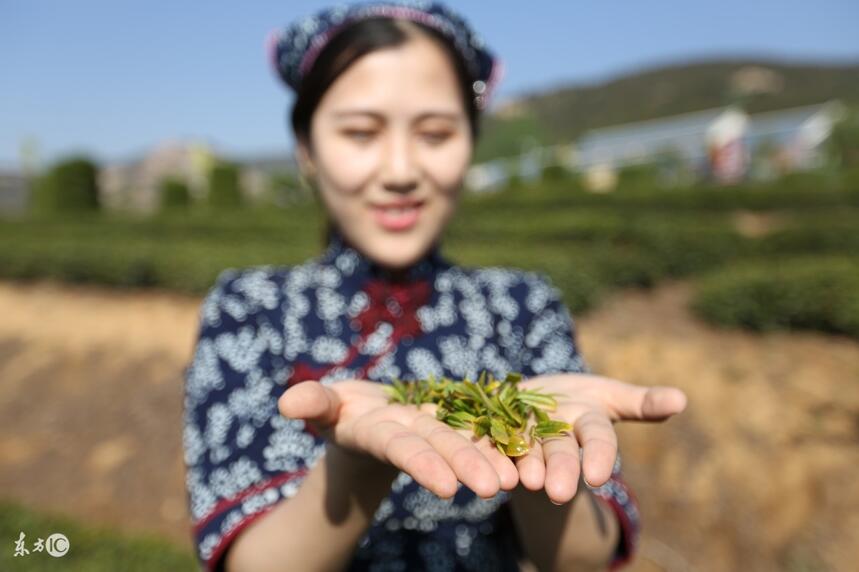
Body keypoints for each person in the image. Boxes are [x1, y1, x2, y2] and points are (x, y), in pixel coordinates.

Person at [181, 2, 688, 571]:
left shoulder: (522, 307)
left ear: (470, 142)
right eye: (360, 132)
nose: (400, 170)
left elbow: (582, 559)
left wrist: (530, 450)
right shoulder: (249, 309)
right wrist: (354, 463)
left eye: (436, 132)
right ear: (306, 147)